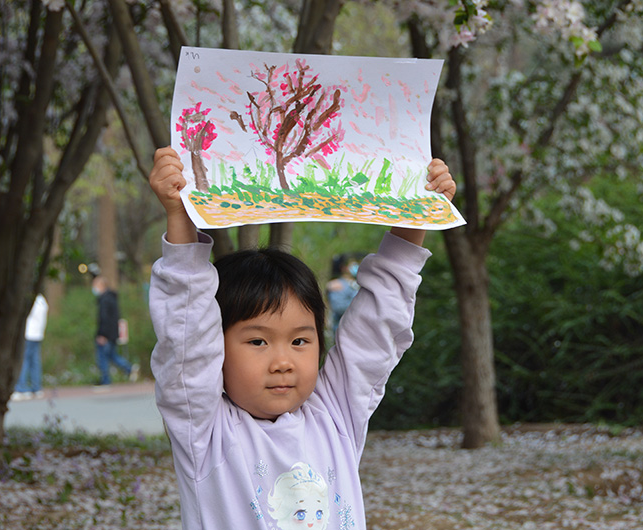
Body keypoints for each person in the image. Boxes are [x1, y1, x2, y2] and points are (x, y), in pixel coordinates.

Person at [147, 146, 456, 529]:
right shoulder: (204, 432)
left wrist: (416, 211)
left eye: (299, 341)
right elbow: (186, 333)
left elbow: (377, 329)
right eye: (258, 341)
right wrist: (178, 215)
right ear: (216, 349)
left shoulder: (335, 415)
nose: (283, 362)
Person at [92, 275, 139, 387]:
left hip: (106, 334)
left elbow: (104, 318)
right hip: (113, 333)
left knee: (103, 356)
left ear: (101, 286)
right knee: (112, 355)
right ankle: (129, 368)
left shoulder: (105, 300)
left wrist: (102, 334)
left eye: (95, 285)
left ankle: (105, 379)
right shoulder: (112, 298)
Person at [12, 293, 49, 401]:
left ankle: (21, 388)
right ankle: (36, 387)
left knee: (23, 360)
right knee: (35, 361)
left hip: (27, 333)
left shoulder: (29, 299)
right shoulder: (42, 301)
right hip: (38, 334)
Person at [326, 254, 360, 334]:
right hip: (343, 331)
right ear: (343, 267)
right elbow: (338, 307)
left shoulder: (356, 284)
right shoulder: (335, 285)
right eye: (351, 264)